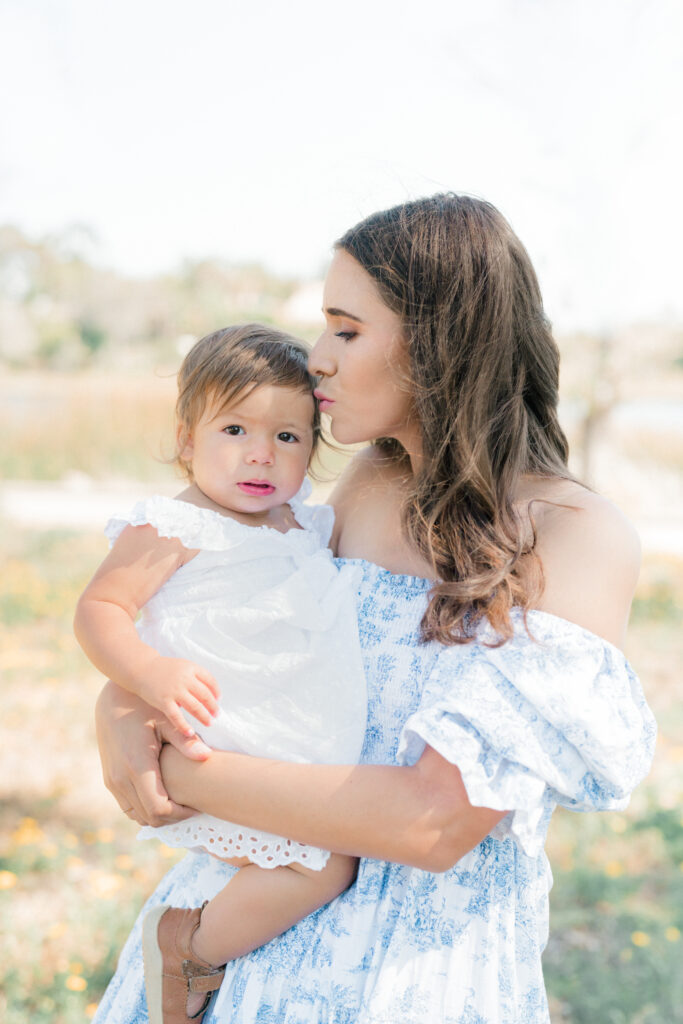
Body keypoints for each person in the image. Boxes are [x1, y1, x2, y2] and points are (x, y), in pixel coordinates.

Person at [92, 194, 656, 1024]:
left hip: (420, 967)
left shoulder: (574, 534)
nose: (315, 358)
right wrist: (119, 705)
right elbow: (233, 638)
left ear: (440, 340)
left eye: (346, 331)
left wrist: (164, 769)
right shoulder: (362, 488)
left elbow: (433, 823)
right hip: (245, 935)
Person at [75, 324, 367, 1024]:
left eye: (289, 438)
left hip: (284, 732)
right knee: (325, 865)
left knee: (316, 859)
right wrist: (144, 674)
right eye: (234, 429)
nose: (260, 453)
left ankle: (202, 941)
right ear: (186, 440)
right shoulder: (177, 526)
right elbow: (100, 608)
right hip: (223, 733)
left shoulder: (301, 523)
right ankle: (188, 948)